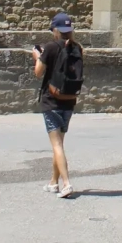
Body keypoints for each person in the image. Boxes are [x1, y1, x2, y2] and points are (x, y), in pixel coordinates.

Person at [33, 12, 84, 198]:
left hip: (51, 100)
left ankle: (66, 183)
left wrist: (38, 56)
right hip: (69, 100)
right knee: (59, 143)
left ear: (56, 30)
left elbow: (38, 72)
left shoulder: (50, 47)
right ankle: (53, 182)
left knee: (57, 145)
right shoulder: (77, 47)